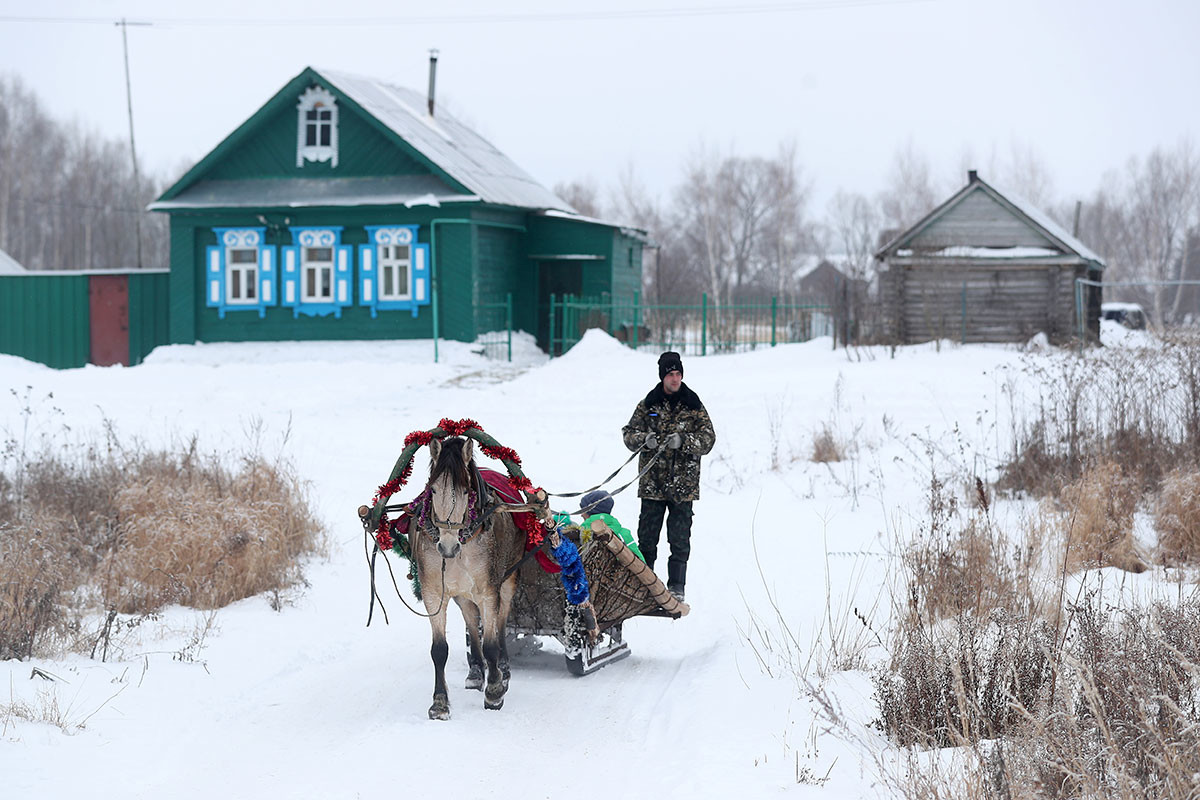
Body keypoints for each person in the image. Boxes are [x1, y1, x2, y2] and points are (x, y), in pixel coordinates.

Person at [621, 351, 716, 602]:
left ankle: (676, 587)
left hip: (683, 487)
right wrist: (644, 440)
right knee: (647, 539)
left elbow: (708, 439)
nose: (675, 379)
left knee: (680, 539)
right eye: (670, 374)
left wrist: (684, 442)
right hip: (653, 484)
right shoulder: (649, 404)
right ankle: (645, 585)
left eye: (678, 374)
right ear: (663, 376)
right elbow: (629, 433)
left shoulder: (693, 404)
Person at [579, 489, 645, 562]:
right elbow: (641, 564)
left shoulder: (581, 534)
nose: (581, 515)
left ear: (592, 511)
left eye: (583, 511)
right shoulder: (623, 534)